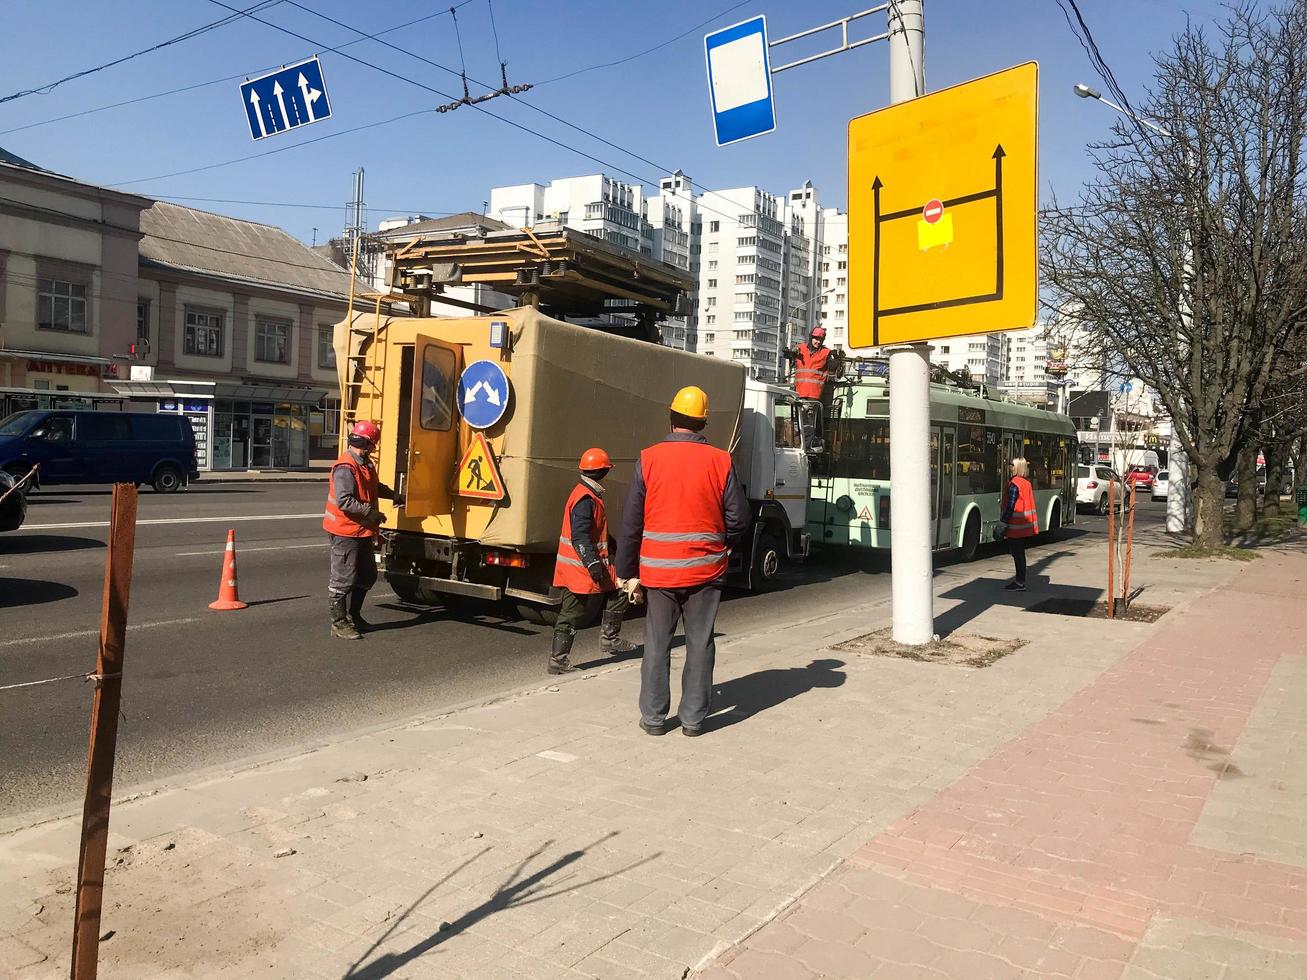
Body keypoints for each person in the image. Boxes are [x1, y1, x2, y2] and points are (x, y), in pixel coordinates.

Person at [616, 386, 749, 737]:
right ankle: (692, 720)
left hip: (658, 572)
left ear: (671, 418)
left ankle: (655, 719)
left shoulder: (649, 458)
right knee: (700, 643)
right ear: (703, 423)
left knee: (657, 645)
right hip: (705, 572)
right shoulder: (721, 461)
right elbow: (739, 519)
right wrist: (722, 546)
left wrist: (625, 571)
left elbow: (631, 521)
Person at [549, 447, 639, 674]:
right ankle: (558, 660)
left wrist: (610, 543)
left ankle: (610, 638)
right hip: (579, 568)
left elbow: (591, 530)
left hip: (588, 564)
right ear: (603, 471)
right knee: (572, 611)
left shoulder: (587, 494)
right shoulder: (585, 499)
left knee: (622, 588)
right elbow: (579, 535)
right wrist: (592, 563)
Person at [323, 420, 400, 639]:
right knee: (343, 579)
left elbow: (373, 487)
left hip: (362, 530)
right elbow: (344, 501)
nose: (373, 450)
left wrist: (394, 494)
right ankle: (339, 623)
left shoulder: (365, 464)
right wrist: (371, 513)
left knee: (367, 574)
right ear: (366, 444)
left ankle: (353, 616)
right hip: (345, 531)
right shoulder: (346, 467)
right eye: (373, 446)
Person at [997, 456, 1039, 591]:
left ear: (1017, 467)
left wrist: (1002, 523)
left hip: (1015, 526)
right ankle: (1020, 580)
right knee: (1020, 553)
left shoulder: (1014, 484)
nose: (1009, 467)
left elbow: (1010, 506)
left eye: (1011, 465)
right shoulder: (1026, 483)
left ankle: (1020, 582)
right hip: (1023, 526)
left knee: (1017, 554)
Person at [783, 325, 842, 400]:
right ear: (811, 338)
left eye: (821, 340)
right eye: (816, 339)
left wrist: (837, 360)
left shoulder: (826, 353)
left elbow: (833, 371)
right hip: (798, 392)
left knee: (810, 411)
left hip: (814, 394)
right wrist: (789, 353)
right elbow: (791, 356)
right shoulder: (800, 349)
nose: (818, 342)